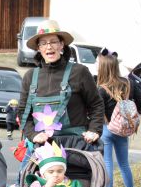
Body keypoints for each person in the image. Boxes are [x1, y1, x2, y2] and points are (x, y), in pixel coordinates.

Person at [18, 20, 104, 148]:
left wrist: (94, 129)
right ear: (38, 48)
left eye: (53, 42)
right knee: (29, 163)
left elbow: (96, 104)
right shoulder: (29, 77)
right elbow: (23, 112)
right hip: (42, 146)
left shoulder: (79, 72)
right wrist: (32, 134)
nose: (49, 47)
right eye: (43, 43)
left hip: (76, 144)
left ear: (61, 44)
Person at [97, 49, 141, 187]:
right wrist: (129, 111)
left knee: (108, 164)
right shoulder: (128, 84)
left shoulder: (102, 89)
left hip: (107, 130)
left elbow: (97, 111)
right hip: (124, 130)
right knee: (124, 163)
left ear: (103, 68)